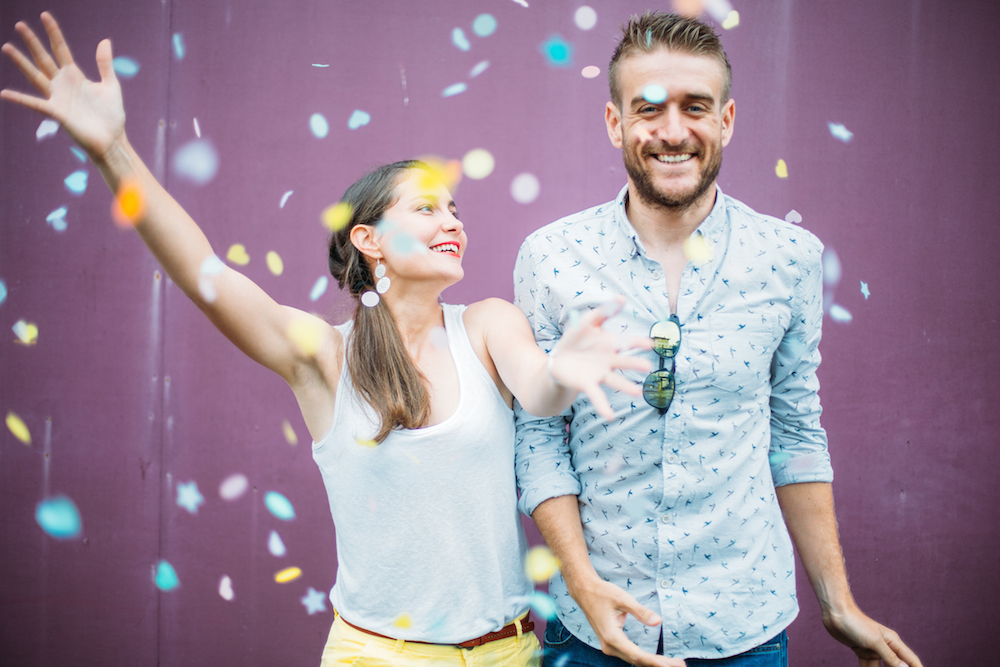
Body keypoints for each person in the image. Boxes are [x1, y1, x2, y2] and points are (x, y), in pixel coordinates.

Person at [0, 13, 654, 667]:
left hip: (505, 652)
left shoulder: (488, 323)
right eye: (426, 208)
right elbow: (204, 273)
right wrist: (113, 151)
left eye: (454, 210)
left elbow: (538, 393)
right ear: (369, 240)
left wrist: (563, 371)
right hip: (374, 655)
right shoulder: (324, 355)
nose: (452, 222)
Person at [512, 11, 923, 667]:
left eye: (695, 107)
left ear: (726, 120)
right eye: (649, 109)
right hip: (591, 628)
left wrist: (838, 604)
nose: (673, 131)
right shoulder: (550, 256)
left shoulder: (790, 258)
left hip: (744, 626)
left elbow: (795, 433)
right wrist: (582, 584)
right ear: (615, 123)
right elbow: (537, 435)